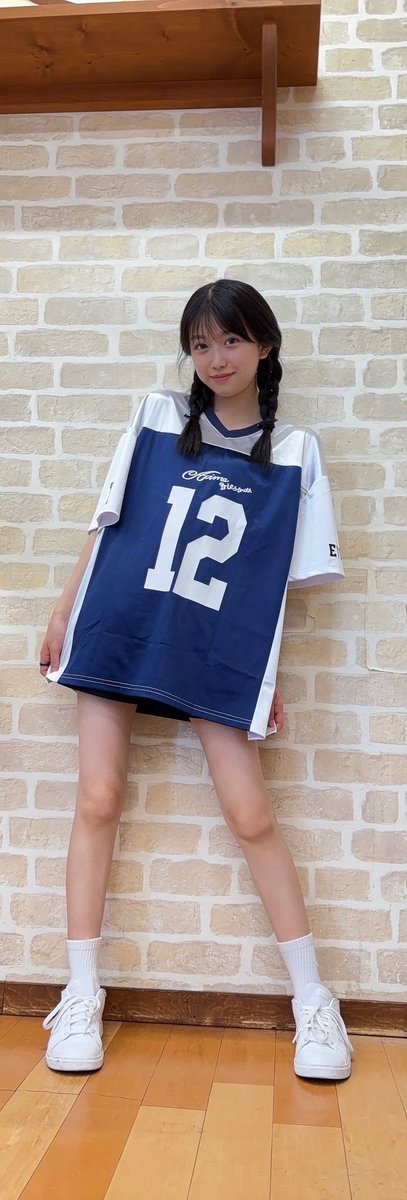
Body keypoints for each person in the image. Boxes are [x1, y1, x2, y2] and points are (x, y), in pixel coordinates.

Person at [40, 279, 353, 1080]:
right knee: (97, 798)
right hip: (119, 621)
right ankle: (80, 993)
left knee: (250, 813)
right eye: (201, 344)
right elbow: (106, 522)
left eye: (232, 340)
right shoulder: (154, 417)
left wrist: (262, 678)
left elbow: (272, 585)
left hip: (215, 646)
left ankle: (313, 1000)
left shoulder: (295, 452)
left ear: (264, 346)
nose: (216, 358)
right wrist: (65, 610)